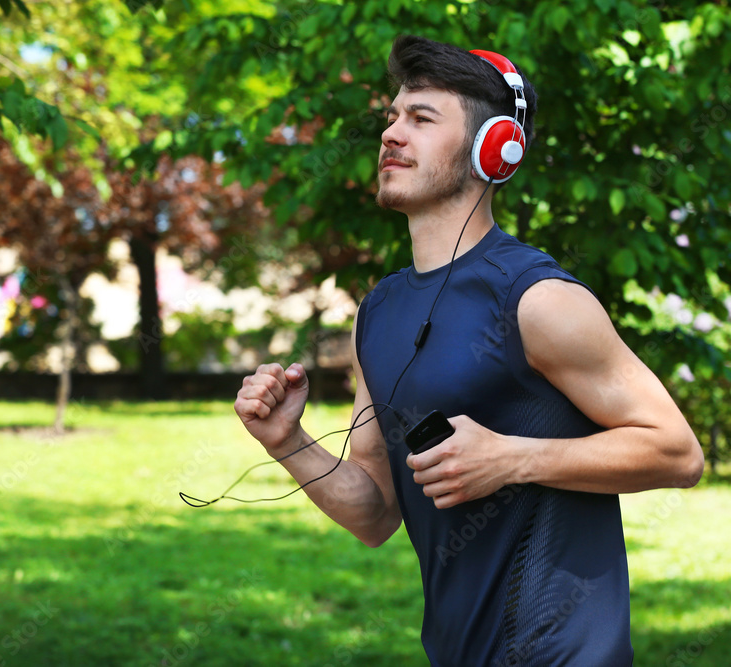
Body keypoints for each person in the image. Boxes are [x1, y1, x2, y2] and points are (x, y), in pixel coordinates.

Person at [235, 34, 704, 667]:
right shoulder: (378, 314)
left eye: (422, 118)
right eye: (393, 116)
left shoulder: (537, 299)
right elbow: (374, 514)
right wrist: (287, 441)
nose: (391, 134)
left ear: (495, 151)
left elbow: (676, 452)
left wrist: (512, 459)